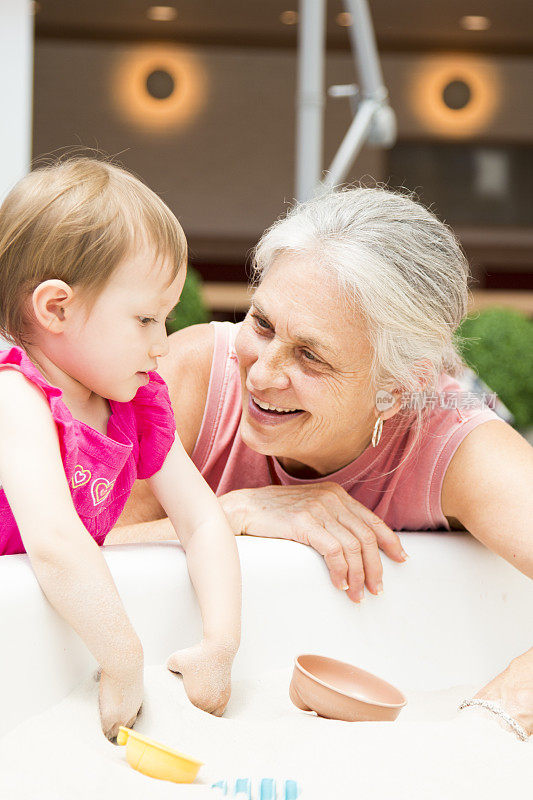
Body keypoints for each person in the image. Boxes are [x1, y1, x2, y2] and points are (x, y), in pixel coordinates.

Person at [111, 187, 533, 739]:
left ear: (396, 389)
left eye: (311, 356)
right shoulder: (190, 379)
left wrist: (494, 719)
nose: (261, 375)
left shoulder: (454, 446)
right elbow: (65, 543)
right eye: (261, 324)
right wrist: (231, 514)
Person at [0, 158, 241, 740]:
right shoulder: (13, 397)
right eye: (144, 319)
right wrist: (123, 656)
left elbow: (204, 520)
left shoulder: (136, 405)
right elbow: (55, 543)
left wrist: (221, 641)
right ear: (56, 308)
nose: (162, 344)